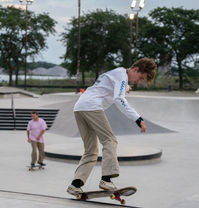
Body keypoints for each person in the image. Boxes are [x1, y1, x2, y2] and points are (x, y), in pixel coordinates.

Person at [67, 57, 157, 196]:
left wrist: (126, 87)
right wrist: (137, 119)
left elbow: (109, 86)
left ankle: (75, 184)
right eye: (140, 77)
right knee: (110, 140)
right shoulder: (121, 75)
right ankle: (106, 179)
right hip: (92, 106)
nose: (138, 82)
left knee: (91, 150)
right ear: (135, 69)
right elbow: (119, 98)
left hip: (80, 107)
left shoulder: (117, 74)